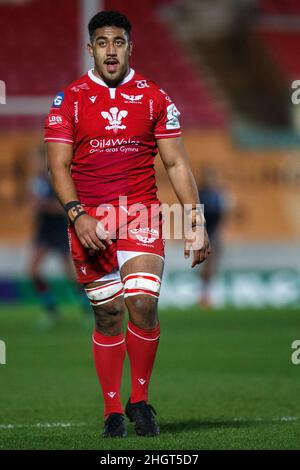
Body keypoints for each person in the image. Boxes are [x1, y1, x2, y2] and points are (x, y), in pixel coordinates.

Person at [44, 10, 210, 438]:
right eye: (102, 43)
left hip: (140, 214)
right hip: (90, 221)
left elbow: (175, 162)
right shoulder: (70, 99)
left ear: (130, 47)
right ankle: (112, 410)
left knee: (143, 305)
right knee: (110, 315)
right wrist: (77, 215)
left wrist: (195, 219)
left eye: (118, 42)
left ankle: (139, 401)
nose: (111, 50)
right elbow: (57, 167)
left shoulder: (155, 97)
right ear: (91, 48)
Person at [28, 145, 90, 328]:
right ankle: (52, 312)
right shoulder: (35, 182)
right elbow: (33, 206)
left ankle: (88, 310)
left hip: (61, 229)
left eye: (37, 161)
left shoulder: (56, 178)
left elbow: (64, 206)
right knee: (33, 271)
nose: (34, 164)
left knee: (72, 275)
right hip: (44, 230)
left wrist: (43, 205)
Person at [197, 166, 231, 308]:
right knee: (205, 264)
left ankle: (209, 293)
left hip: (214, 233)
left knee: (213, 264)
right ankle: (204, 294)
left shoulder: (220, 194)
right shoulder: (201, 193)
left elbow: (224, 214)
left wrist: (222, 231)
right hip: (204, 232)